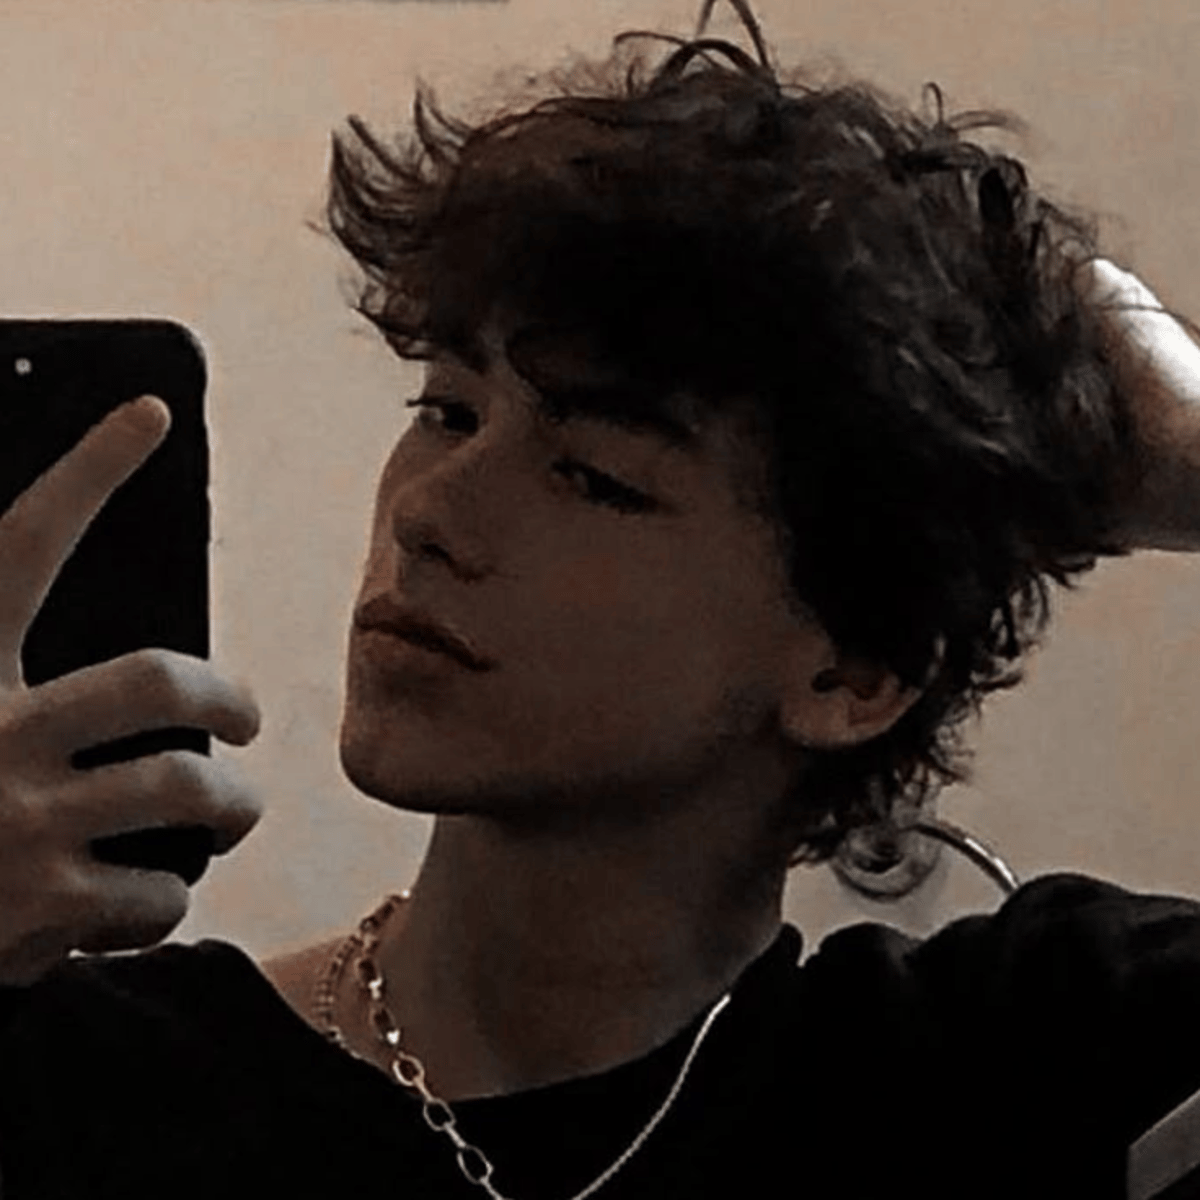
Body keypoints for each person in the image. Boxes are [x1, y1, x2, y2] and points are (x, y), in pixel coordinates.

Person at [1, 1, 1200, 1196]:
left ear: (856, 669)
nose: (429, 513)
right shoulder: (83, 1084)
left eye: (592, 476)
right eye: (448, 411)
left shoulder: (1017, 1065)